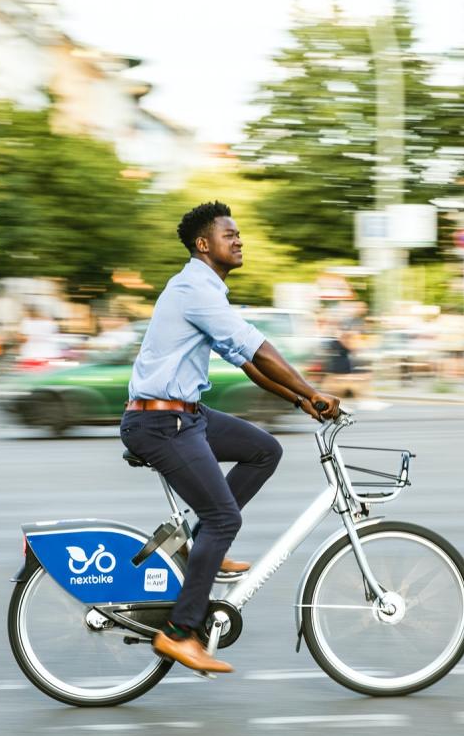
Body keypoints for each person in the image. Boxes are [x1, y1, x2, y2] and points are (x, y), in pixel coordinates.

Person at [121, 201, 340, 674]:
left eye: (240, 234)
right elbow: (258, 348)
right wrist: (313, 390)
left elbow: (246, 362)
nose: (239, 240)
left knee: (264, 449)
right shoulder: (194, 288)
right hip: (161, 423)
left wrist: (300, 401)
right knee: (223, 517)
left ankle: (206, 550)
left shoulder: (206, 291)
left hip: (185, 415)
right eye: (230, 234)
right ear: (204, 244)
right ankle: (180, 633)